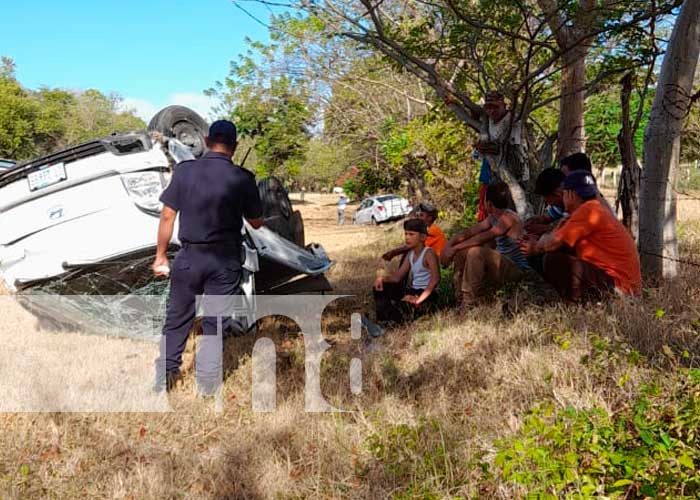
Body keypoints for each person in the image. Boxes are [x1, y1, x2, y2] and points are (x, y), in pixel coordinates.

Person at [152, 120, 264, 393]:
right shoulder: (242, 178)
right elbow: (257, 222)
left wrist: (161, 256)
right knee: (215, 323)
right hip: (224, 260)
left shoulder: (184, 172)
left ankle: (164, 377)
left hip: (188, 257)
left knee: (177, 319)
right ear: (235, 147)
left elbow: (167, 215)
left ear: (205, 139)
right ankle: (206, 385)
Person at [519, 171, 641, 302]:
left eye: (564, 193)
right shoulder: (592, 208)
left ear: (570, 194)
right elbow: (557, 239)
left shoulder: (587, 211)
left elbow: (551, 243)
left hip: (619, 288)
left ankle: (585, 302)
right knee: (555, 253)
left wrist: (534, 247)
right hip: (620, 284)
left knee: (552, 260)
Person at [441, 182, 530, 308]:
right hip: (501, 265)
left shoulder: (508, 217)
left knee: (476, 252)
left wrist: (455, 247)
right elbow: (470, 232)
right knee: (461, 253)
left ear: (488, 203)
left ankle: (468, 303)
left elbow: (484, 236)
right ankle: (459, 298)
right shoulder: (493, 217)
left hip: (516, 269)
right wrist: (449, 245)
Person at [373, 218, 440, 325]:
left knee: (402, 308)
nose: (407, 237)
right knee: (382, 287)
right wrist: (381, 279)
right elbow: (397, 277)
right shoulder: (411, 254)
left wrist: (419, 300)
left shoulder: (428, 253)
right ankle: (384, 318)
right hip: (413, 290)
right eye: (406, 234)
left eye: (411, 234)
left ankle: (393, 317)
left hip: (426, 294)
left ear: (422, 237)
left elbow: (435, 279)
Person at [382, 201, 446, 261]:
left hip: (437, 262)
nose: (419, 218)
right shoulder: (427, 229)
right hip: (430, 259)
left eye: (421, 215)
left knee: (409, 253)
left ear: (429, 218)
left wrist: (394, 252)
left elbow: (414, 245)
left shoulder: (433, 230)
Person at [525, 167, 567, 236]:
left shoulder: (577, 206)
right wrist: (536, 220)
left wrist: (548, 229)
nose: (546, 201)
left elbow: (570, 232)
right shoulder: (559, 205)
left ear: (557, 194)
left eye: (546, 197)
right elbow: (547, 217)